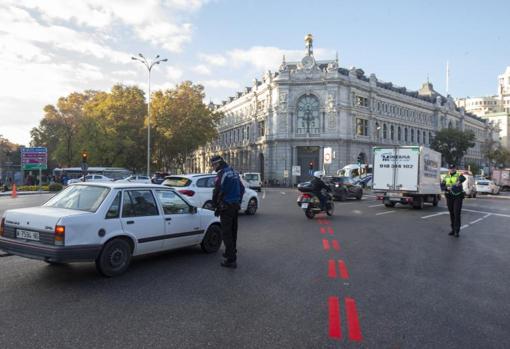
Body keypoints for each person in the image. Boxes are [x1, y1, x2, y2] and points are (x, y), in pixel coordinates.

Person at [211, 155, 245, 268]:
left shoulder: (221, 174)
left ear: (219, 163)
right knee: (233, 231)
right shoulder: (234, 172)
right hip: (235, 206)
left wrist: (215, 205)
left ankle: (231, 260)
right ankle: (231, 252)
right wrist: (238, 201)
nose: (213, 167)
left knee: (226, 233)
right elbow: (242, 188)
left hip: (226, 207)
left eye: (214, 165)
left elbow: (216, 191)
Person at [441, 164, 466, 238]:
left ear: (455, 169)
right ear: (449, 169)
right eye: (450, 168)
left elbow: (463, 178)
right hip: (449, 196)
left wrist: (459, 182)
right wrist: (446, 188)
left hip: (458, 196)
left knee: (456, 213)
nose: (452, 169)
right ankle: (453, 229)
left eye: (453, 168)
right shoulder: (446, 176)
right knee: (451, 213)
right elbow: (442, 185)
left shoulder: (458, 175)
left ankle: (456, 231)